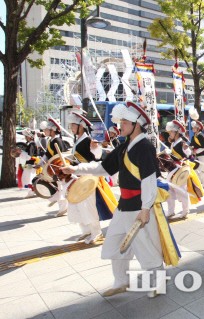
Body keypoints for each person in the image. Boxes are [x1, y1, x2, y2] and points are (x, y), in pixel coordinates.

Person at [61, 101, 180, 298]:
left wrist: (145, 208)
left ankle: (158, 283)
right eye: (121, 122)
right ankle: (121, 281)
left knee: (146, 247)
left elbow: (149, 180)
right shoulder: (125, 146)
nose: (120, 126)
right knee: (115, 243)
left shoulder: (144, 146)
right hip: (123, 206)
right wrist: (75, 169)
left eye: (124, 122)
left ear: (136, 124)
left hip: (139, 207)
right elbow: (103, 168)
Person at [65, 110, 117, 244]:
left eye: (73, 125)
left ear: (80, 126)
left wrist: (95, 148)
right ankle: (86, 230)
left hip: (88, 178)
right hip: (79, 177)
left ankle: (96, 232)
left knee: (89, 206)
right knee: (78, 205)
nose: (71, 128)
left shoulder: (88, 140)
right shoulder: (78, 140)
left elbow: (97, 157)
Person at [40, 117, 68, 217]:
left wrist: (59, 171)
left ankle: (63, 208)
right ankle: (58, 202)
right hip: (54, 167)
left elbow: (59, 157)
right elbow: (48, 154)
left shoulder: (57, 141)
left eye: (46, 129)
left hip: (59, 167)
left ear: (52, 131)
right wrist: (40, 163)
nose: (45, 131)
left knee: (61, 187)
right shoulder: (51, 141)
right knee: (60, 187)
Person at [165, 119, 192, 219]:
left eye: (171, 132)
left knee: (181, 191)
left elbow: (190, 157)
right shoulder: (174, 142)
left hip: (180, 169)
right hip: (173, 169)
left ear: (176, 132)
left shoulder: (182, 143)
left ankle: (185, 211)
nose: (169, 134)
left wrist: (187, 150)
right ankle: (171, 211)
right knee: (169, 189)